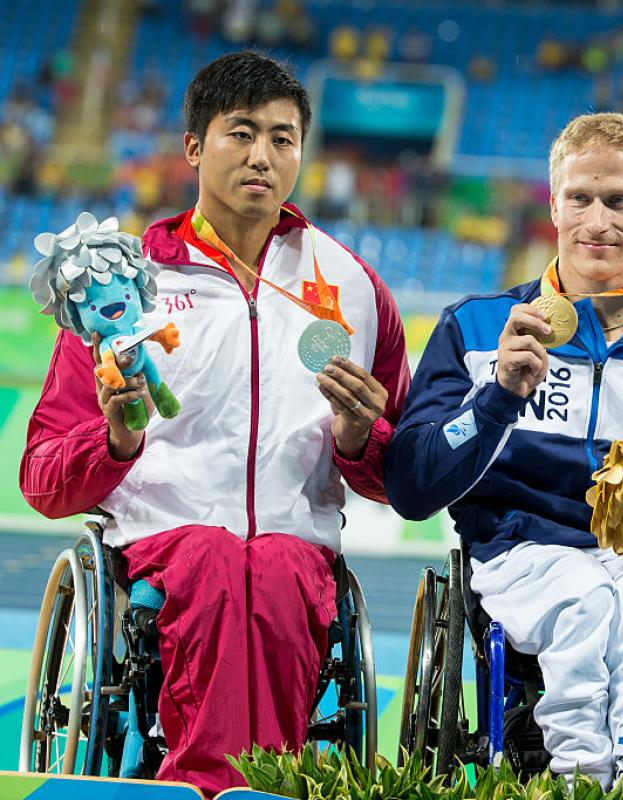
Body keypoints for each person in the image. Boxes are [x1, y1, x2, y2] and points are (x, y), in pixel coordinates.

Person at [20, 51, 410, 796]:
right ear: (194, 147)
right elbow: (42, 475)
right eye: (241, 133)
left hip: (296, 550)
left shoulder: (355, 288)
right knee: (213, 565)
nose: (264, 155)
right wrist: (118, 439)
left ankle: (255, 784)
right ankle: (224, 787)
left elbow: (403, 477)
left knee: (273, 569)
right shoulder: (123, 282)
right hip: (167, 546)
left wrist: (363, 440)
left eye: (284, 138)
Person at [385, 112, 623, 791]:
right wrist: (497, 396)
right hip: (518, 559)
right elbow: (412, 484)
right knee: (588, 601)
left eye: (620, 200)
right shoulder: (477, 329)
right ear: (554, 204)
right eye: (581, 198)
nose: (598, 220)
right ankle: (579, 782)